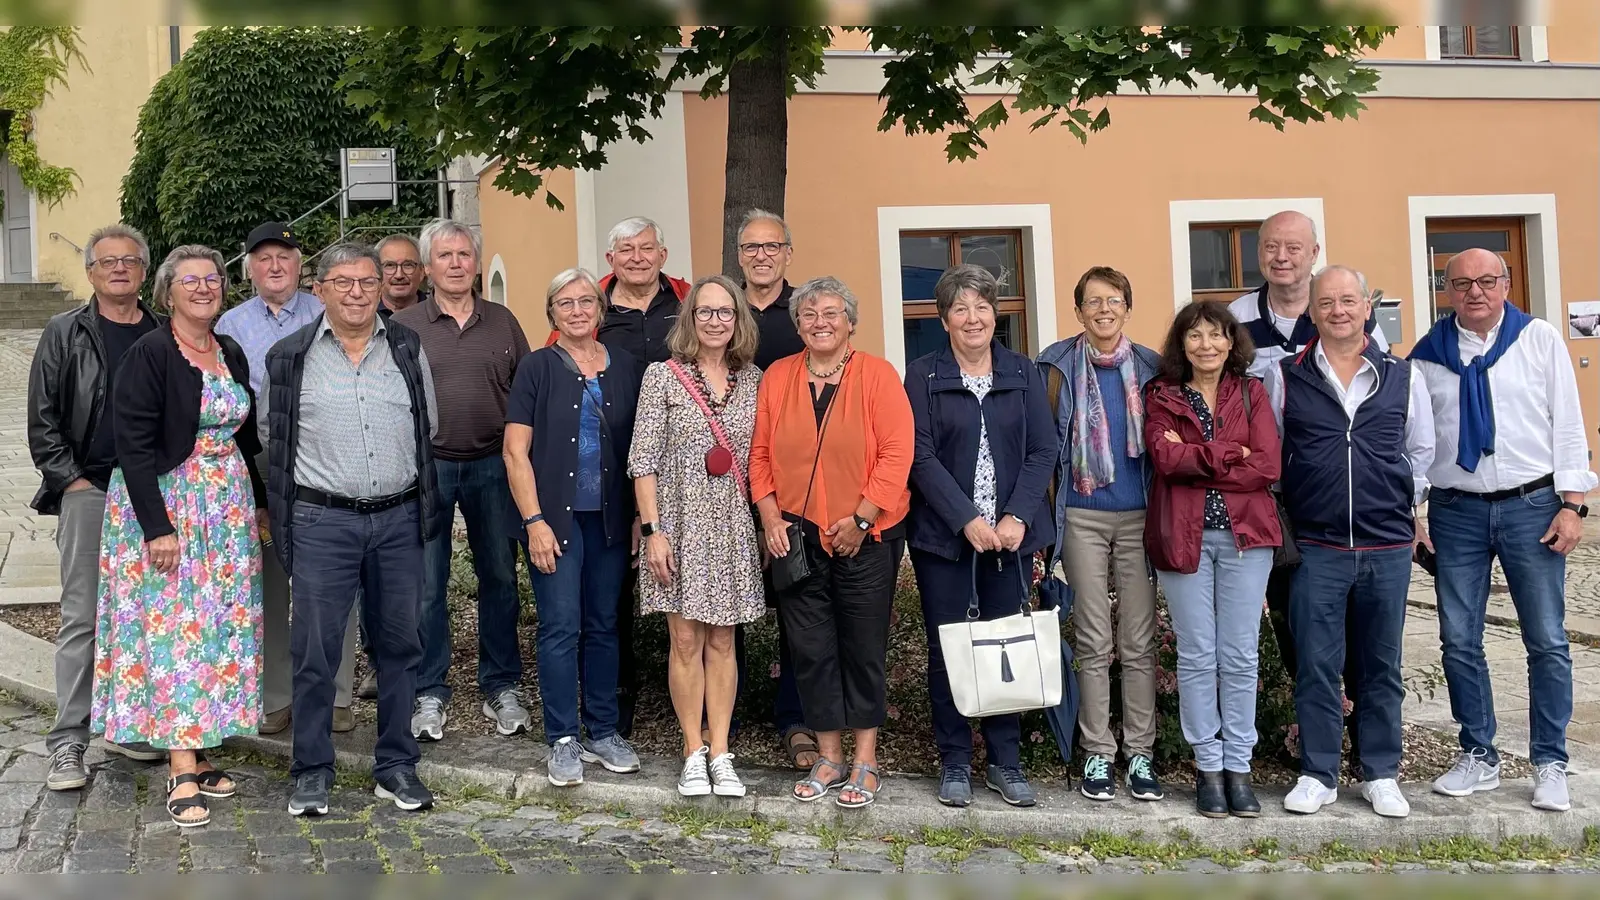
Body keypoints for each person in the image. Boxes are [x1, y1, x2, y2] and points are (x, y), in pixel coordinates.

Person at [1411, 248, 1597, 813]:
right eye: (1462, 282)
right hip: (1455, 511)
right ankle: (1478, 753)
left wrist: (1574, 505)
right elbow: (1418, 441)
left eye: (1487, 280)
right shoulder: (1427, 356)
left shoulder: (1539, 340)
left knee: (1546, 638)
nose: (1475, 291)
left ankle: (1550, 760)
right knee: (1459, 638)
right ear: (1445, 290)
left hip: (1531, 505)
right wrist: (1416, 512)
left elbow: (1567, 422)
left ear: (1507, 283)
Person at [263, 243, 441, 817]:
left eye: (367, 281)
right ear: (321, 289)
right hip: (323, 521)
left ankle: (396, 765)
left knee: (400, 646)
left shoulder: (408, 348)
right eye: (345, 282)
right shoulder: (290, 356)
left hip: (397, 519)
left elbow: (428, 424)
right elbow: (273, 435)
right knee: (315, 649)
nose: (359, 292)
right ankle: (312, 770)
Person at [93, 245, 266, 827]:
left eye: (212, 279)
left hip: (226, 509)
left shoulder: (229, 350)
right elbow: (133, 446)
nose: (202, 288)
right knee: (176, 630)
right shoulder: (150, 353)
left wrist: (260, 504)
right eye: (189, 280)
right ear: (167, 292)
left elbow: (244, 439)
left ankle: (204, 745)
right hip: (170, 505)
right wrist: (156, 526)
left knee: (216, 624)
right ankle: (181, 766)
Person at [1263, 266, 1434, 819]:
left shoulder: (1402, 376)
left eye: (1348, 300)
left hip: (1386, 546)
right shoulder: (1286, 376)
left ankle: (1382, 772)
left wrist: (1401, 501)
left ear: (1367, 308)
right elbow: (1274, 454)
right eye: (1326, 302)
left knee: (1382, 665)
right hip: (1317, 545)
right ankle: (1318, 773)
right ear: (1312, 311)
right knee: (1316, 664)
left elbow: (1422, 451)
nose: (1338, 310)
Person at [749, 276, 914, 810]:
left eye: (831, 313)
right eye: (809, 315)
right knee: (811, 651)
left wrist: (862, 519)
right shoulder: (778, 376)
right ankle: (829, 755)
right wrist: (770, 516)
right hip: (795, 536)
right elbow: (760, 454)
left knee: (862, 649)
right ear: (797, 325)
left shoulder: (877, 375)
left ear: (850, 322)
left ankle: (865, 758)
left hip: (868, 536)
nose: (820, 322)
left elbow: (896, 454)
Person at [1227, 210, 1383, 766]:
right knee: (1296, 624)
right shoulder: (1236, 319)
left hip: (1345, 502)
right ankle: (1313, 736)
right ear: (1259, 254)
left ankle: (1369, 745)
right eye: (1271, 246)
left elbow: (1385, 401)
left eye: (1294, 246)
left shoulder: (1342, 312)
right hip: (1273, 503)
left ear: (1314, 251)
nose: (1282, 256)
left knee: (1359, 630)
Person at [905, 265, 1056, 808]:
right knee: (951, 650)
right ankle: (953, 761)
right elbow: (918, 455)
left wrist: (1016, 516)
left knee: (1004, 648)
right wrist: (966, 518)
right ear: (944, 319)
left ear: (997, 315)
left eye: (983, 308)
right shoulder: (922, 374)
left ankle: (1004, 762)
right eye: (961, 308)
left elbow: (1044, 448)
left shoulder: (1021, 370)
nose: (973, 318)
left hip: (1011, 540)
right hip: (945, 539)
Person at [28, 224, 168, 789]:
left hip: (151, 495)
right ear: (90, 272)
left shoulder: (163, 333)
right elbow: (43, 419)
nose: (119, 269)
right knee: (82, 618)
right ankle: (68, 742)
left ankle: (131, 729)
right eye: (107, 261)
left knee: (143, 615)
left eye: (130, 260)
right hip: (91, 490)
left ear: (143, 271)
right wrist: (71, 482)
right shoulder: (66, 332)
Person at [215, 222, 358, 736]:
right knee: (270, 581)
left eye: (285, 256)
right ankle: (276, 695)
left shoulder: (328, 313)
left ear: (302, 264)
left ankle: (337, 695)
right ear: (248, 266)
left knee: (334, 577)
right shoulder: (228, 325)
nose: (275, 266)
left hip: (327, 453)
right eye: (264, 257)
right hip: (261, 457)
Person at [549, 216, 689, 737]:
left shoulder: (687, 305)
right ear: (610, 260)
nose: (636, 257)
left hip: (686, 471)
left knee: (695, 581)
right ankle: (617, 703)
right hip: (611, 480)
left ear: (662, 253)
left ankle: (710, 707)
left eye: (646, 248)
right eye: (625, 249)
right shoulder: (591, 312)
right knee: (611, 600)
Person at [393, 219, 531, 743]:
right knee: (427, 584)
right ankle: (429, 689)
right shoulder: (404, 325)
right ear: (428, 268)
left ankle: (502, 684)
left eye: (464, 254)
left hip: (494, 466)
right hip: (427, 467)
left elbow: (525, 394)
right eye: (445, 255)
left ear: (476, 262)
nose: (456, 263)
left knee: (499, 576)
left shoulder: (503, 322)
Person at [1144, 300, 1281, 818]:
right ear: (1182, 345)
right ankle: (1208, 766)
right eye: (1194, 336)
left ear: (1231, 342)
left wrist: (1199, 455)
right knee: (1198, 655)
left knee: (1241, 654)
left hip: (1248, 538)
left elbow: (1266, 466)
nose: (1206, 345)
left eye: (1216, 335)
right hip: (1185, 538)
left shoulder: (1252, 392)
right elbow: (1165, 459)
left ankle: (1239, 766)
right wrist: (1230, 453)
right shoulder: (1161, 395)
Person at [629, 274, 765, 798]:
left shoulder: (753, 380)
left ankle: (722, 750)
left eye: (725, 312)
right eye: (705, 312)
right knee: (684, 639)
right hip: (678, 524)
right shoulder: (662, 378)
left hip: (730, 525)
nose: (715, 321)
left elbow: (761, 458)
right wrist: (653, 532)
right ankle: (692, 750)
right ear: (690, 319)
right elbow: (642, 461)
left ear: (738, 320)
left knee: (724, 639)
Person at [505, 268, 642, 787]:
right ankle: (562, 737)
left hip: (609, 520)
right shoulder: (536, 368)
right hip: (554, 521)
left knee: (604, 624)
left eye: (587, 300)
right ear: (552, 314)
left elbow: (641, 449)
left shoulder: (627, 366)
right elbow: (516, 452)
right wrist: (534, 521)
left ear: (600, 310)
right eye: (566, 303)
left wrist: (638, 519)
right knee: (561, 626)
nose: (579, 310)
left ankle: (602, 730)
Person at [1036, 266, 1164, 804]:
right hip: (1082, 516)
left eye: (1114, 300)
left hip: (1139, 515)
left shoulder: (1155, 368)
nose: (1104, 309)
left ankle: (1139, 753)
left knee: (1139, 641)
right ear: (1080, 310)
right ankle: (1096, 753)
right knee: (1092, 639)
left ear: (1128, 308)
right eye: (1093, 301)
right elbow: (1042, 451)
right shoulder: (1055, 366)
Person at [734, 208, 811, 769]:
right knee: (725, 598)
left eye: (771, 246)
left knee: (796, 598)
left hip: (793, 479)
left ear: (788, 252)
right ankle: (725, 716)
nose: (761, 255)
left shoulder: (805, 313)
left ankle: (797, 718)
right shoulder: (721, 310)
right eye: (751, 247)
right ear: (739, 255)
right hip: (724, 479)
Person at [377, 233, 428, 318]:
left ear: (422, 272)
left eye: (408, 265)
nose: (399, 275)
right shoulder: (364, 314)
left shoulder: (440, 314)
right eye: (390, 265)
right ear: (377, 272)